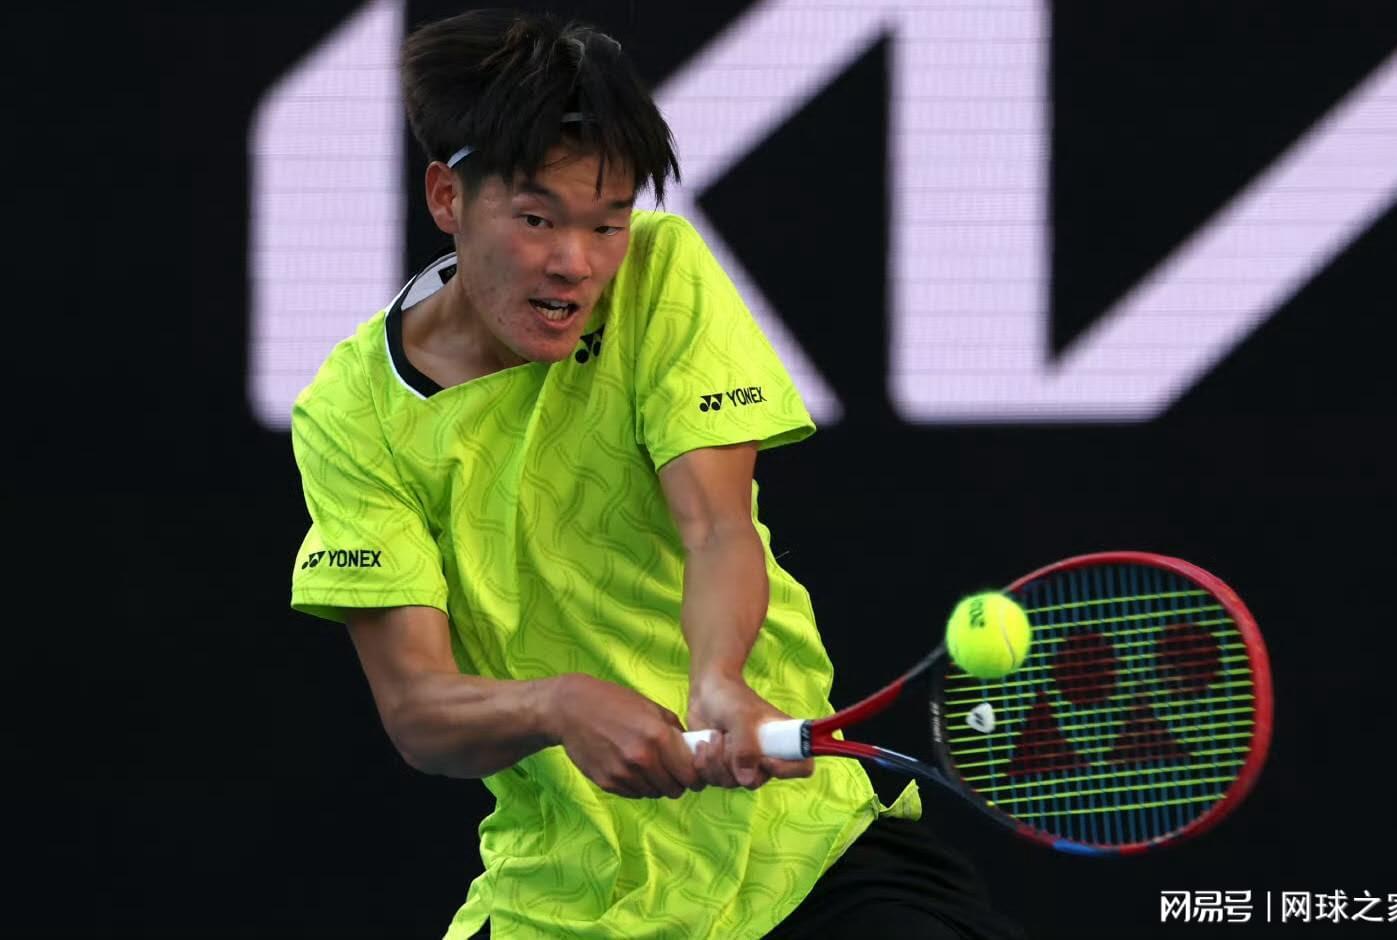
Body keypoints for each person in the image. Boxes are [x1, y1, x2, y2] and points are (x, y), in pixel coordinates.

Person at [289, 9, 1024, 939]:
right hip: (565, 901)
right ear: (448, 198)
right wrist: (557, 705)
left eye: (608, 222)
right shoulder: (353, 412)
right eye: (536, 220)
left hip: (801, 854)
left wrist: (718, 679)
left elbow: (715, 527)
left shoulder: (660, 275)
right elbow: (418, 710)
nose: (577, 263)